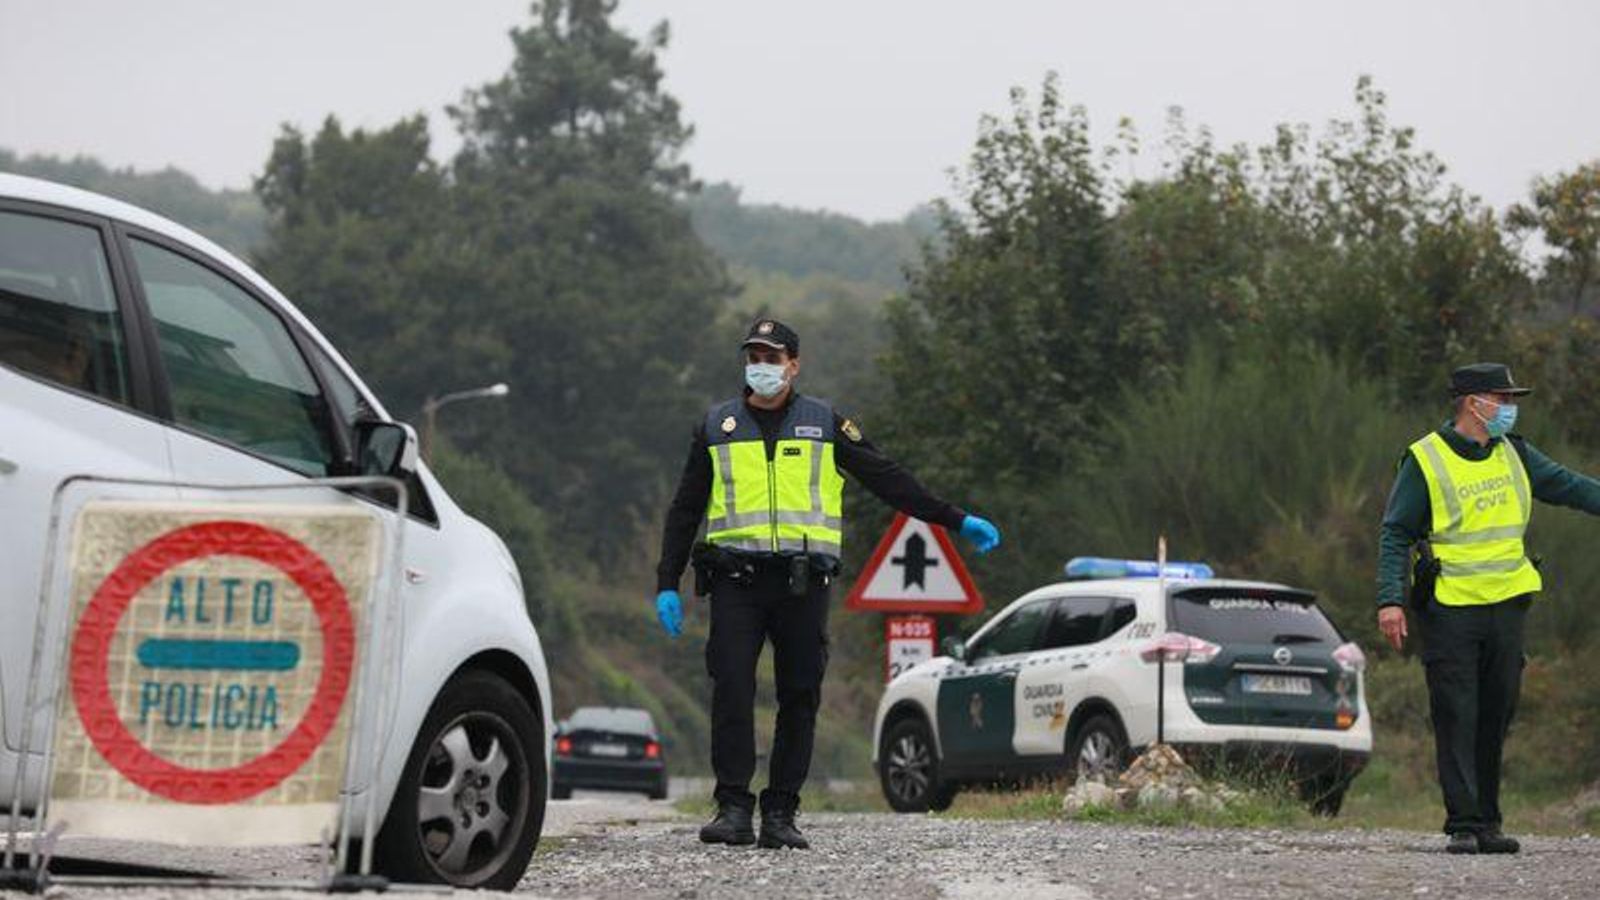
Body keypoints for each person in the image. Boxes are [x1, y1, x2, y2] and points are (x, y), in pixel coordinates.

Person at [653, 318, 1000, 850]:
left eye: (772, 358)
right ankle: (732, 807)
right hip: (735, 583)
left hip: (802, 585)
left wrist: (953, 519)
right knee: (732, 689)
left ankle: (781, 812)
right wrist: (667, 581)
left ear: (794, 364)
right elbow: (684, 510)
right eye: (754, 357)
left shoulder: (825, 424)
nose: (761, 367)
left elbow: (888, 478)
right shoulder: (715, 427)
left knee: (799, 694)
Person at [1376, 363, 1600, 855]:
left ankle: (1489, 824)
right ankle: (1463, 823)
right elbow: (1396, 532)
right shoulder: (1425, 458)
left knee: (1495, 712)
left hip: (1507, 606)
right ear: (1474, 402)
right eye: (1502, 397)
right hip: (1451, 608)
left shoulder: (1514, 452)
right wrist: (1390, 600)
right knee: (1457, 712)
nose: (1509, 407)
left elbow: (1569, 485)